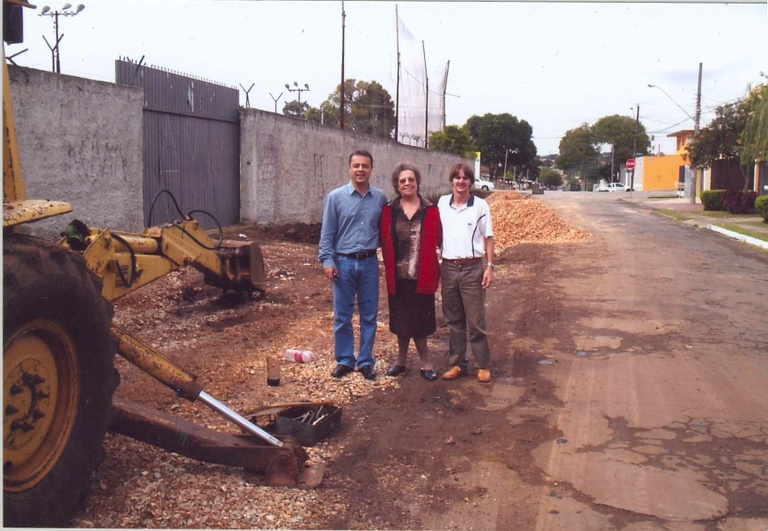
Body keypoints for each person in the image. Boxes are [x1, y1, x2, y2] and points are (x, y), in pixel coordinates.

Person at [318, 150, 388, 380]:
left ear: (371, 169)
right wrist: (327, 261)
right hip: (343, 263)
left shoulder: (380, 198)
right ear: (349, 168)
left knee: (369, 315)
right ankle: (345, 360)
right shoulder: (335, 198)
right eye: (356, 165)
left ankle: (366, 361)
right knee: (342, 315)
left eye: (365, 166)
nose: (360, 170)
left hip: (368, 264)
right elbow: (327, 233)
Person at [379, 163, 442, 381]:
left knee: (421, 323)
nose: (407, 183)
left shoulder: (431, 209)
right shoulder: (389, 210)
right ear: (397, 185)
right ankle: (401, 361)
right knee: (401, 322)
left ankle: (426, 363)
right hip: (398, 277)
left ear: (417, 182)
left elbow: (439, 238)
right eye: (402, 180)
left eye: (411, 179)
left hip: (421, 275)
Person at [437, 162, 495, 383]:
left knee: (476, 320)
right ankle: (458, 364)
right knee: (453, 320)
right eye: (457, 177)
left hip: (472, 268)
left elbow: (488, 237)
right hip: (449, 267)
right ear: (451, 180)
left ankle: (483, 364)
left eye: (465, 178)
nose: (460, 182)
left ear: (471, 182)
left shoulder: (480, 206)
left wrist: (489, 266)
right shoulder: (442, 203)